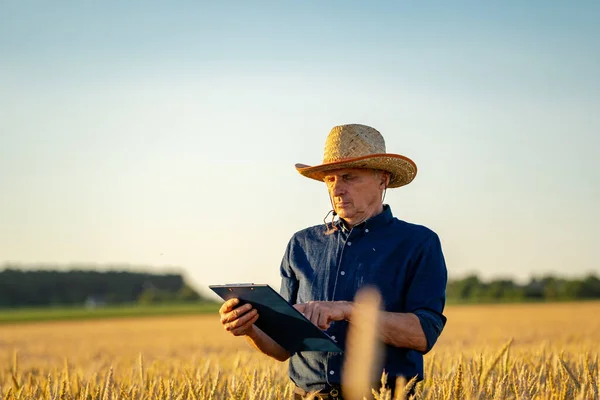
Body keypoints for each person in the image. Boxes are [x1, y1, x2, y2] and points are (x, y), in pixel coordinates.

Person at [219, 124, 447, 399]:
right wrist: (250, 327)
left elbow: (423, 335)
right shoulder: (301, 245)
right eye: (330, 179)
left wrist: (349, 310)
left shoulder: (418, 243)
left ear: (382, 179)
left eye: (349, 177)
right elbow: (282, 348)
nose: (337, 189)